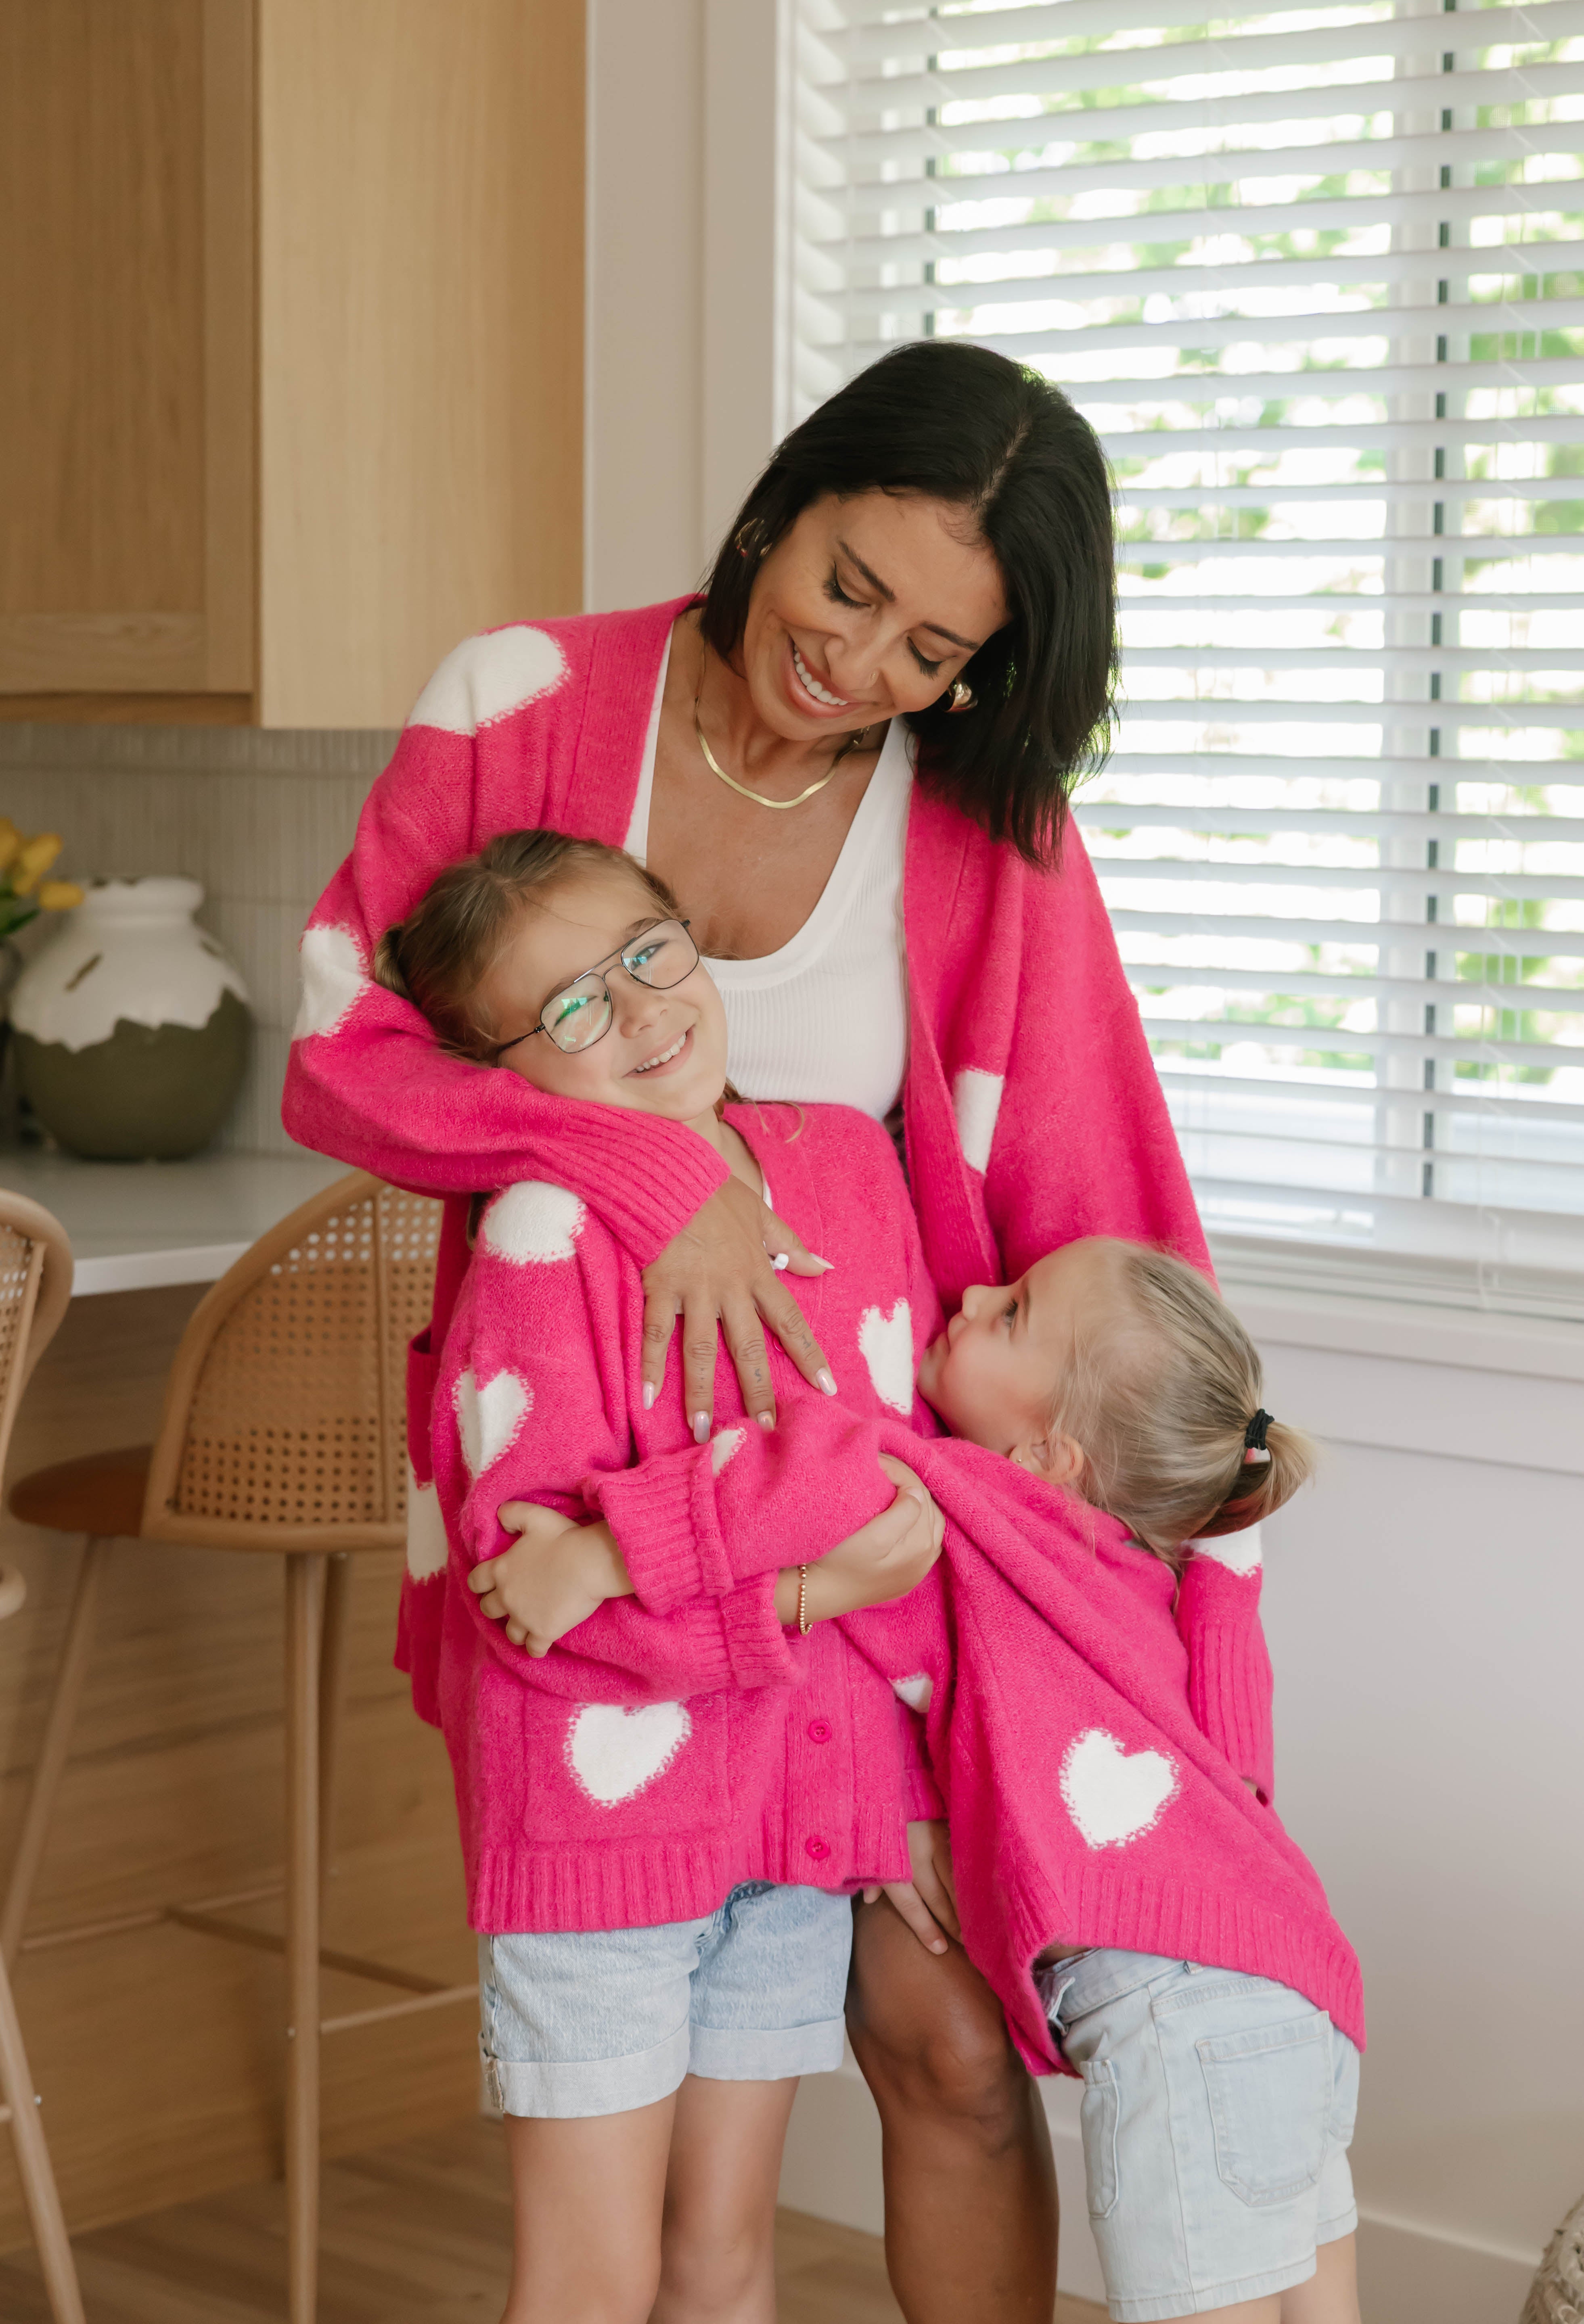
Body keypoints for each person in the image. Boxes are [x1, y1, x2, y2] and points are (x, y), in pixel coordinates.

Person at [284, 337, 1207, 2320]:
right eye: (846, 584)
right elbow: (341, 1047)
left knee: (950, 2046)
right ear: (780, 506)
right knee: (647, 2067)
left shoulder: (983, 822)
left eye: (929, 647)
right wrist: (645, 1172)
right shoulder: (522, 702)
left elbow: (1090, 1200)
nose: (857, 663)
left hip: (882, 1532)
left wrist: (1124, 1581)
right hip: (598, 1545)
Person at [493, 1233, 1364, 2324]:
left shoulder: (955, 1497)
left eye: (1013, 1316)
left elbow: (795, 1473)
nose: (978, 1291)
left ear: (1049, 1455)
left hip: (1176, 2012)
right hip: (1297, 1972)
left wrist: (596, 1557)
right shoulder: (1144, 1560)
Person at [377, 828, 950, 2323]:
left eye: (647, 954)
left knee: (724, 2262)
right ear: (504, 1072)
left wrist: (629, 1544)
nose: (636, 1013)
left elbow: (879, 1471)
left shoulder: (842, 1163)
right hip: (596, 1835)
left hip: (793, 1816)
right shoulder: (541, 1230)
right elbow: (531, 1613)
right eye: (569, 1007)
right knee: (589, 2284)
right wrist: (798, 1583)